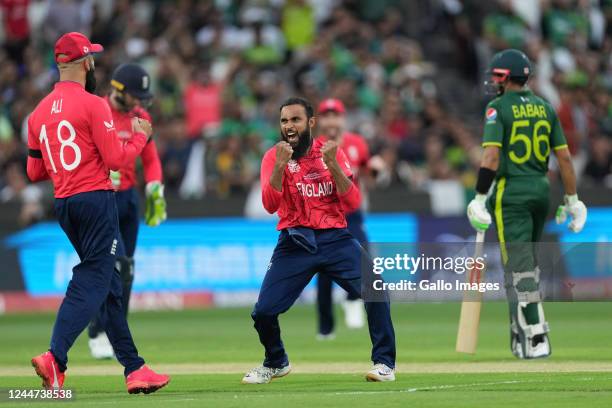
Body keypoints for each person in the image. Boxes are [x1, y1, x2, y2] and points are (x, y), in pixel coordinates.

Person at [26, 32, 170, 394]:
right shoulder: (94, 105)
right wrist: (140, 135)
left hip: (65, 204)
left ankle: (134, 369)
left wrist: (63, 162)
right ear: (86, 63)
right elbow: (117, 161)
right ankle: (55, 358)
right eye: (92, 59)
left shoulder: (38, 113)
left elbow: (34, 172)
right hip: (96, 199)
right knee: (94, 277)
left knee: (109, 286)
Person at [242, 97, 396, 384]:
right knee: (263, 312)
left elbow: (352, 201)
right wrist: (279, 166)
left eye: (295, 120)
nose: (289, 126)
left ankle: (384, 363)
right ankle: (276, 362)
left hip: (335, 238)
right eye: (284, 121)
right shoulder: (271, 157)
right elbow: (269, 205)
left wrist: (333, 166)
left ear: (310, 123)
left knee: (376, 289)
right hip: (294, 242)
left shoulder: (331, 152)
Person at [467, 49, 587, 359]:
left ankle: (537, 334)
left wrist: (479, 198)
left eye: (497, 76)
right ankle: (519, 335)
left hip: (512, 195)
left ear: (506, 78)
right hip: (541, 190)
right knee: (522, 267)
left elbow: (491, 157)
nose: (493, 81)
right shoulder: (545, 107)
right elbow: (563, 157)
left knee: (520, 269)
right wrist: (572, 199)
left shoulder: (497, 108)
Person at [88, 63, 167, 360]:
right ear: (118, 89)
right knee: (113, 265)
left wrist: (154, 187)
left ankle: (114, 331)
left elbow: (150, 159)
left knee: (127, 269)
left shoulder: (141, 118)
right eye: (136, 95)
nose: (140, 102)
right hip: (102, 199)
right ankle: (97, 331)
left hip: (128, 201)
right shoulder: (97, 112)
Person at [314, 98, 369, 339]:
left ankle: (353, 298)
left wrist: (378, 169)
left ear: (343, 118)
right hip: (325, 216)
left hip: (352, 213)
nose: (331, 120)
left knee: (365, 257)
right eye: (326, 116)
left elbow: (368, 171)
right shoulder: (312, 147)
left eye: (335, 115)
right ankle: (326, 328)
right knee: (324, 272)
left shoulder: (357, 143)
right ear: (319, 121)